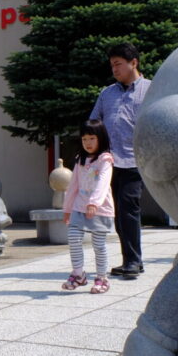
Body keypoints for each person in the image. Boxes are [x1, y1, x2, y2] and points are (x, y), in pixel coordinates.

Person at [89, 42, 150, 278]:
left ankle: (134, 260)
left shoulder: (151, 90)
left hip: (135, 161)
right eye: (112, 65)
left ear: (134, 63)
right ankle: (130, 260)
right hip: (109, 163)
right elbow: (94, 123)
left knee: (128, 209)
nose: (114, 69)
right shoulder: (107, 94)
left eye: (118, 64)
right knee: (116, 212)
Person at [61, 120, 115, 294]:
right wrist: (67, 209)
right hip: (79, 207)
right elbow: (73, 186)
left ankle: (102, 278)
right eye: (84, 139)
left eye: (92, 138)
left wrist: (94, 203)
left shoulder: (105, 160)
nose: (88, 143)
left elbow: (103, 183)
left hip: (100, 208)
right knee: (73, 238)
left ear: (101, 138)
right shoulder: (80, 160)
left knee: (98, 244)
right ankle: (78, 274)